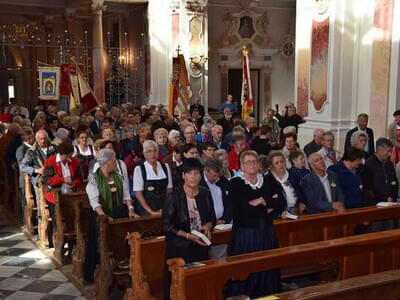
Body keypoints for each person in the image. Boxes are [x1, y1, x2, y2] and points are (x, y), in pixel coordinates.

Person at [227, 150, 284, 298]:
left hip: (267, 233)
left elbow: (282, 202)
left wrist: (262, 201)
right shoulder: (235, 183)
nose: (252, 164)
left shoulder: (268, 179)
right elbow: (243, 209)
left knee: (267, 267)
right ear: (241, 166)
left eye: (254, 161)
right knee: (247, 269)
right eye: (248, 162)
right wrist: (269, 205)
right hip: (246, 235)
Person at [162, 158, 216, 300]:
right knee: (180, 287)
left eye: (197, 173)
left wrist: (208, 226)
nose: (193, 176)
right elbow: (166, 225)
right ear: (183, 175)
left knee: (199, 285)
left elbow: (212, 218)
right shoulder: (174, 196)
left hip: (201, 246)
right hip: (179, 249)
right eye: (189, 173)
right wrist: (187, 236)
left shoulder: (205, 193)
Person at [84, 149, 137, 282]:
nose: (116, 163)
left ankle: (123, 265)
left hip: (119, 212)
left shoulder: (118, 176)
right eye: (114, 161)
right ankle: (99, 273)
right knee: (100, 244)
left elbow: (126, 195)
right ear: (106, 162)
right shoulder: (94, 179)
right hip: (101, 215)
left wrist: (130, 209)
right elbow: (94, 202)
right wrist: (104, 217)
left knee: (122, 240)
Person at [20, 130, 57, 216]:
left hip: (53, 176)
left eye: (44, 139)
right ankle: (41, 217)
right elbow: (23, 166)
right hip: (39, 178)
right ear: (36, 139)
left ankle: (57, 217)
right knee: (42, 199)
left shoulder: (54, 148)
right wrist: (36, 170)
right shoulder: (31, 151)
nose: (43, 141)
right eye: (40, 139)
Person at [133, 140, 173, 216]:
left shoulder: (165, 167)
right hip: (145, 208)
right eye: (149, 151)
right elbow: (138, 194)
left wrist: (166, 208)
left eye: (155, 151)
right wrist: (151, 212)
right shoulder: (139, 169)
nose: (153, 154)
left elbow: (169, 190)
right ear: (144, 154)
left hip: (164, 207)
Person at [267, 151, 305, 216]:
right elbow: (268, 206)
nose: (280, 164)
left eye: (282, 161)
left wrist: (302, 202)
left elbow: (301, 192)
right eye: (277, 163)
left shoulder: (293, 175)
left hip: (298, 210)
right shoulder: (267, 180)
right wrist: (279, 214)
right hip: (281, 214)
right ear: (271, 166)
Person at [362, 138, 398, 206]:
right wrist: (383, 199)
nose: (390, 154)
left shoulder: (389, 164)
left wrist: (392, 196)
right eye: (388, 151)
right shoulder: (369, 165)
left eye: (391, 151)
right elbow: (368, 188)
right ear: (379, 151)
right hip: (375, 204)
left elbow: (394, 182)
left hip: (391, 202)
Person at [16, 127, 35, 220]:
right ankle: (26, 220)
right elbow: (22, 166)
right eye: (33, 136)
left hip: (34, 177)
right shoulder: (21, 149)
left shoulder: (34, 147)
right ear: (28, 138)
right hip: (25, 179)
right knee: (26, 199)